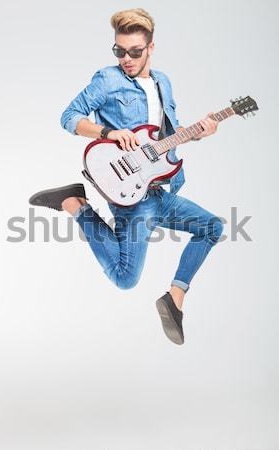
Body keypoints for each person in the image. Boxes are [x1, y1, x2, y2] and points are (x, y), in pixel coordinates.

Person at [29, 8, 223, 345]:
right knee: (124, 278)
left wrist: (198, 132)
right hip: (130, 194)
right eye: (119, 51)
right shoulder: (107, 79)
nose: (126, 59)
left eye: (134, 51)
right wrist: (108, 132)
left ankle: (175, 298)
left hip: (162, 189)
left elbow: (166, 135)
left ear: (151, 48)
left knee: (212, 227)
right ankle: (74, 203)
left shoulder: (163, 81)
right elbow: (69, 117)